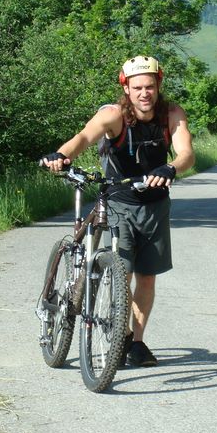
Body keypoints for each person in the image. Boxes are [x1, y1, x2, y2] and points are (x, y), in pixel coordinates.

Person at [41, 55, 194, 367]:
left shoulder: (171, 114)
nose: (144, 93)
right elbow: (83, 137)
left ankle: (136, 342)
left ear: (158, 85)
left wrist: (170, 167)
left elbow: (186, 154)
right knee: (121, 272)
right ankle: (121, 337)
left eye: (149, 87)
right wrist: (61, 155)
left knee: (147, 278)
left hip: (154, 204)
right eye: (137, 88)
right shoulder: (113, 115)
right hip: (118, 202)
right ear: (126, 89)